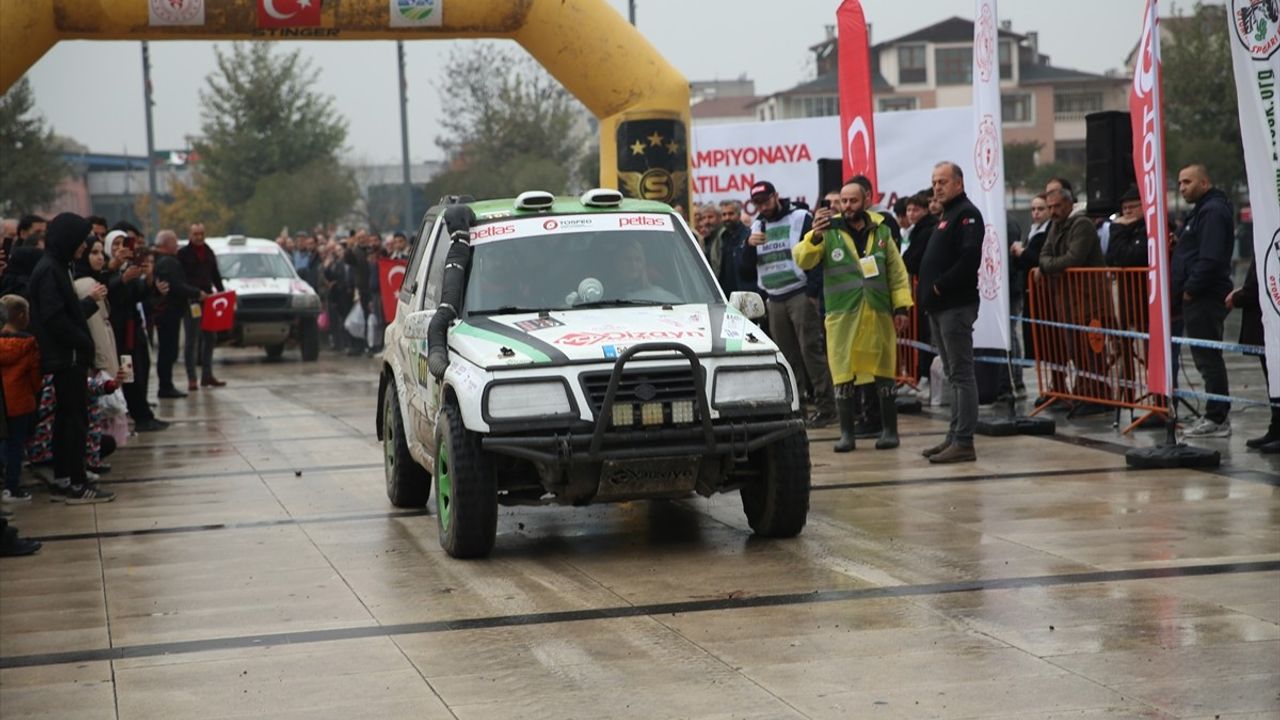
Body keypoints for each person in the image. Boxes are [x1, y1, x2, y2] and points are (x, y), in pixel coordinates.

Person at [796, 181, 913, 452]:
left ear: (867, 200)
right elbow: (803, 259)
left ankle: (889, 430)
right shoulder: (828, 230)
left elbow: (896, 272)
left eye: (853, 201)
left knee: (884, 370)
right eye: (844, 201)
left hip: (877, 312)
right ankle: (847, 434)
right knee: (843, 370)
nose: (847, 207)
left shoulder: (882, 229)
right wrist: (813, 236)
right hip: (842, 315)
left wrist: (901, 308)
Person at [25, 213, 115, 504]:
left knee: (70, 419)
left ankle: (67, 476)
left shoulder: (59, 266)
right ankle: (74, 482)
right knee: (72, 421)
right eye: (80, 242)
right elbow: (55, 317)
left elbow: (67, 310)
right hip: (65, 357)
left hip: (70, 356)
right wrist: (80, 340)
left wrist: (85, 309)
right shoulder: (51, 269)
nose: (83, 247)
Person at [738, 180, 836, 427]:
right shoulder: (756, 226)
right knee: (787, 356)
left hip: (799, 293)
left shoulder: (800, 216)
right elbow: (746, 271)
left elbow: (816, 251)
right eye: (758, 203)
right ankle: (796, 406)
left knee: (810, 351)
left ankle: (827, 407)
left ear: (776, 196)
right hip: (774, 298)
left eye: (766, 200)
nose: (763, 206)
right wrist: (749, 247)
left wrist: (813, 292)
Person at [917, 162, 984, 464]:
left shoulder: (967, 214)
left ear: (958, 182)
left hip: (955, 306)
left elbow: (969, 258)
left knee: (961, 374)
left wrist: (940, 287)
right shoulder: (946, 215)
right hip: (940, 307)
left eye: (943, 181)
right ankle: (953, 435)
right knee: (952, 374)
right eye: (934, 182)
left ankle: (964, 441)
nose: (937, 187)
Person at [1172, 164, 1235, 438]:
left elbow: (1210, 258)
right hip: (1199, 295)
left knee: (1209, 359)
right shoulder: (1201, 212)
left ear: (1205, 183)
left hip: (1205, 296)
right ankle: (1215, 414)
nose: (1182, 187)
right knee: (1204, 359)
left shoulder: (1212, 211)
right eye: (1180, 183)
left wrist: (1191, 289)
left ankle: (1217, 418)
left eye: (1187, 182)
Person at [1227, 258, 1278, 453]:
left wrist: (1239, 297)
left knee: (1275, 380)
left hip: (1269, 325)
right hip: (1264, 327)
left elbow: (1263, 284)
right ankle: (1275, 428)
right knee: (1272, 382)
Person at [1, 295, 42, 503]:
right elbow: (35, 375)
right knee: (17, 444)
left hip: (2, 401)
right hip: (21, 399)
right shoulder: (28, 344)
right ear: (21, 315)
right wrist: (34, 391)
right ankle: (12, 486)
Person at [177, 222, 226, 390]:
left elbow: (215, 275)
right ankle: (192, 378)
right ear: (190, 235)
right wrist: (194, 293)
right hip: (192, 301)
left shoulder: (209, 252)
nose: (199, 237)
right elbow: (180, 280)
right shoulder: (183, 254)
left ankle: (207, 375)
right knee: (192, 339)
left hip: (209, 301)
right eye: (195, 234)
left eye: (201, 234)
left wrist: (222, 293)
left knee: (210, 337)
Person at [152, 230, 201, 399]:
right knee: (168, 351)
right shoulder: (167, 262)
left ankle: (167, 384)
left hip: (169, 312)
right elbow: (175, 286)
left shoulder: (165, 261)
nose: (177, 245)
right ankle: (165, 386)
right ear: (166, 244)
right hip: (167, 313)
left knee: (169, 350)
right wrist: (196, 293)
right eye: (174, 242)